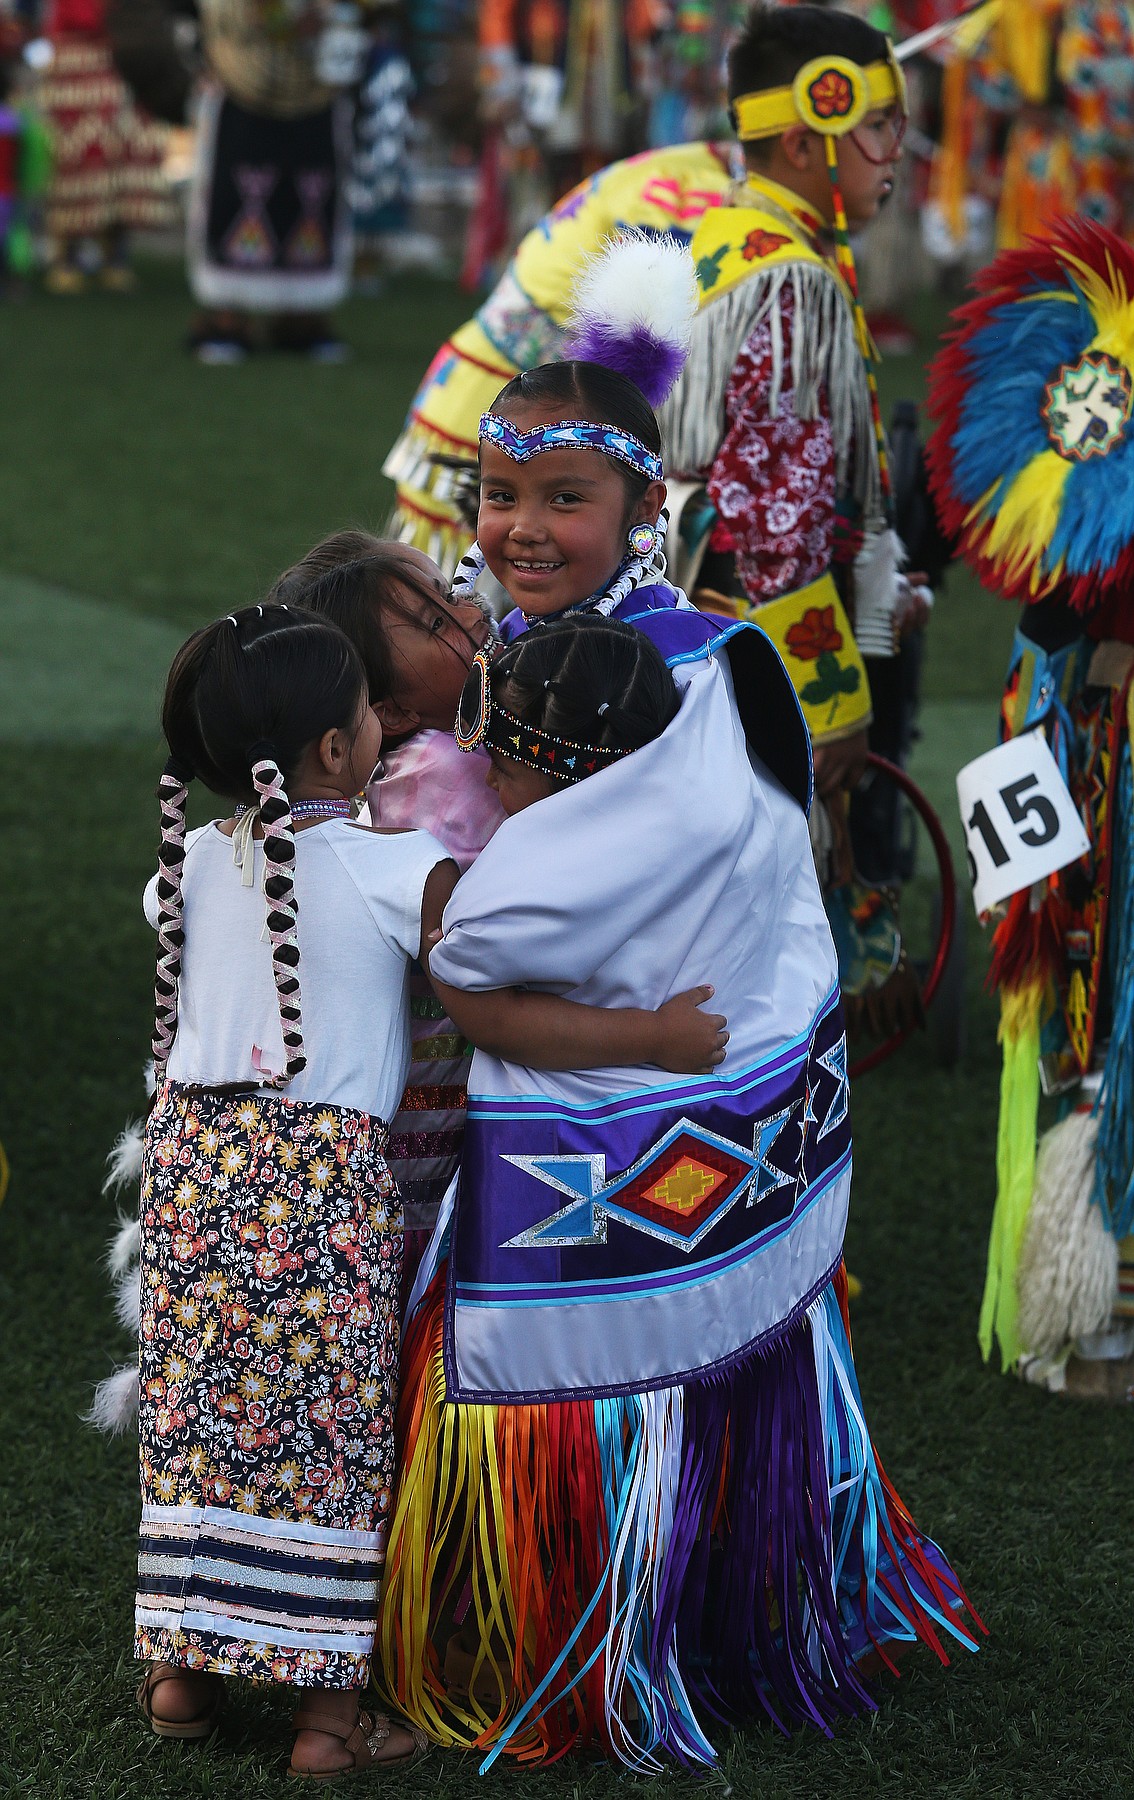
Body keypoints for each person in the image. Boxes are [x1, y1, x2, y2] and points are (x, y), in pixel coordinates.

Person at [376, 613, 982, 1769]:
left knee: (541, 1416)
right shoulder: (727, 775)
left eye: (501, 766)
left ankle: (545, 1645)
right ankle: (714, 1616)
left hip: (582, 1233)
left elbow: (467, 966)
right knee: (712, 1409)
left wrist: (457, 882)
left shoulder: (527, 883)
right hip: (746, 1181)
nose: (490, 786)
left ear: (562, 771)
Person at [130, 601, 722, 1774]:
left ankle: (181, 1678)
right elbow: (500, 980)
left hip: (192, 1176)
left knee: (204, 1421)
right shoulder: (402, 870)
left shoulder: (186, 864)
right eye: (370, 717)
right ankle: (329, 1726)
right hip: (318, 1180)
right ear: (343, 754)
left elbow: (193, 920)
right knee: (336, 1434)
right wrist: (648, 1026)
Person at [657, 2, 922, 802]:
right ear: (805, 140)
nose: (895, 155)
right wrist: (831, 700)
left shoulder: (722, 235)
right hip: (741, 638)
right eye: (877, 128)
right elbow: (777, 510)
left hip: (673, 613)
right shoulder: (792, 281)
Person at [270, 531, 507, 1291]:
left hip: (386, 1110)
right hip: (429, 1112)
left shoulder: (386, 770)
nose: (472, 610)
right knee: (425, 1296)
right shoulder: (446, 770)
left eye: (448, 589)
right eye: (438, 621)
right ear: (392, 708)